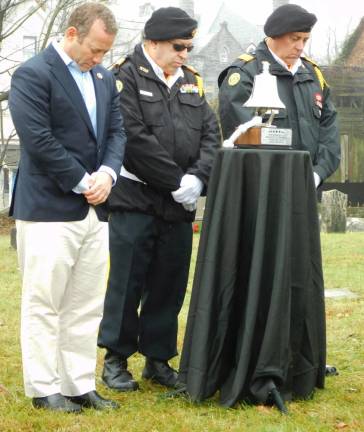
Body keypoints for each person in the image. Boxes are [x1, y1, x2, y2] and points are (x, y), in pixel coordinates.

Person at [9, 2, 125, 412]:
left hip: (95, 210)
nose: (100, 58)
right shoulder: (33, 75)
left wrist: (109, 174)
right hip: (47, 209)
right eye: (95, 49)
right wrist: (82, 182)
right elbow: (38, 140)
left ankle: (78, 383)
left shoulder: (105, 78)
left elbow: (116, 132)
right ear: (72, 34)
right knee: (45, 302)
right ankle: (44, 388)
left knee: (86, 302)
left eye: (105, 52)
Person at [97, 7, 220, 391]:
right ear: (152, 42)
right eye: (178, 46)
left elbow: (211, 137)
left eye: (189, 46)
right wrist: (175, 181)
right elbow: (132, 138)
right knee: (127, 281)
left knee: (169, 282)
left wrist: (199, 179)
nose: (185, 53)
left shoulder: (193, 83)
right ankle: (116, 359)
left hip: (179, 204)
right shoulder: (124, 77)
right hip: (136, 197)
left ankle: (158, 359)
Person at [218, 3, 340, 186]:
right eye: (295, 38)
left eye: (305, 40)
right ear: (275, 35)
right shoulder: (246, 74)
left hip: (307, 186)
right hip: (261, 188)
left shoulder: (313, 75)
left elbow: (329, 129)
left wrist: (317, 173)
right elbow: (243, 137)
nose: (300, 47)